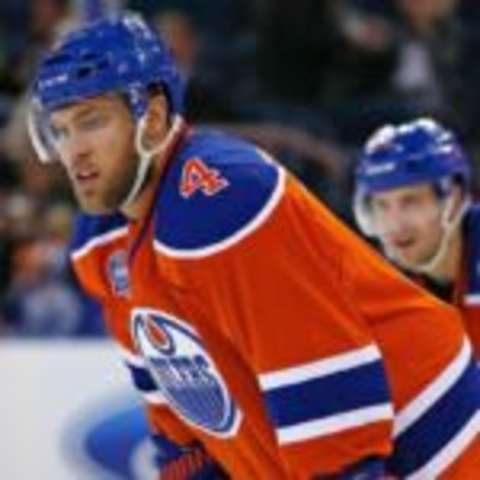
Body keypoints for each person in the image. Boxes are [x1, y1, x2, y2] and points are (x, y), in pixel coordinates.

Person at [28, 12, 480, 478]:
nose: (73, 149)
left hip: (435, 444)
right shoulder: (98, 245)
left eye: (91, 120)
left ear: (154, 117)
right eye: (60, 130)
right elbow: (185, 429)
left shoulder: (217, 198)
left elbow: (329, 382)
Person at [354, 117, 480, 357]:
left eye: (410, 201)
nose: (395, 223)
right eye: (382, 205)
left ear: (453, 199)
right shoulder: (380, 288)